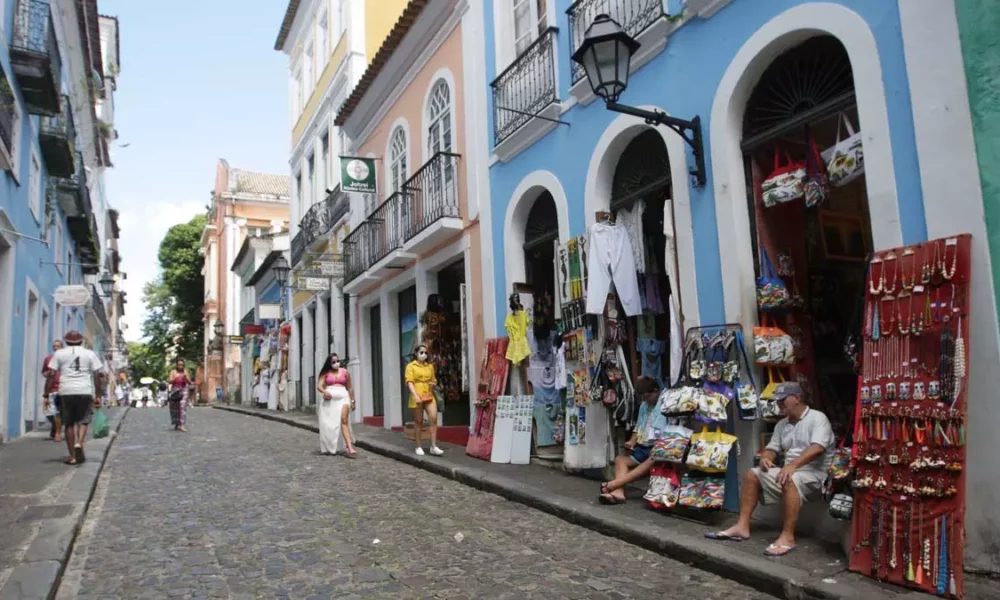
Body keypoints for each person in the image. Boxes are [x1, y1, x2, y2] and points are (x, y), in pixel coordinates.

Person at [706, 382, 835, 557]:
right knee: (752, 474)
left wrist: (792, 465)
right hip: (791, 471)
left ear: (797, 398)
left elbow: (817, 448)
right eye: (778, 401)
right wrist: (766, 458)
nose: (780, 404)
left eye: (783, 400)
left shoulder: (817, 418)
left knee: (788, 477)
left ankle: (788, 537)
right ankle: (742, 526)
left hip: (814, 475)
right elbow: (772, 448)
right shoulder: (782, 424)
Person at [599, 376, 661, 504]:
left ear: (656, 391)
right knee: (620, 460)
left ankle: (614, 485)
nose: (645, 400)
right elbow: (638, 427)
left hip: (656, 448)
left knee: (651, 459)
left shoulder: (665, 404)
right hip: (644, 446)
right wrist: (632, 441)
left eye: (647, 397)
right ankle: (618, 491)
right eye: (643, 398)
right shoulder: (644, 406)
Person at [48, 331, 105, 465]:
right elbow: (97, 375)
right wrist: (97, 395)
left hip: (66, 390)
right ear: (82, 341)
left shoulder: (59, 353)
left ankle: (72, 456)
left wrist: (46, 394)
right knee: (83, 420)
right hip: (84, 390)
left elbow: (51, 374)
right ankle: (79, 443)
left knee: (68, 423)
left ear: (66, 341)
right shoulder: (89, 354)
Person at [404, 344, 443, 457]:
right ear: (416, 354)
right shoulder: (410, 366)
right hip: (417, 394)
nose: (424, 355)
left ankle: (433, 446)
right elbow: (409, 381)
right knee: (418, 421)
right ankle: (418, 446)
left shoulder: (429, 366)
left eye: (426, 353)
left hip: (428, 395)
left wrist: (433, 384)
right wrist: (415, 395)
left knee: (433, 418)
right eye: (421, 352)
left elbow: (434, 380)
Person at [316, 353, 356, 456]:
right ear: (329, 363)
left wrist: (352, 400)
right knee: (329, 424)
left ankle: (349, 446)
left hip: (343, 398)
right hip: (330, 400)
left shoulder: (345, 372)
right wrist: (324, 392)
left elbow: (350, 387)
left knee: (344, 420)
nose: (336, 363)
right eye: (333, 362)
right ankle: (330, 445)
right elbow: (319, 386)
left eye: (337, 361)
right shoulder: (325, 373)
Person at [42, 340, 63, 442]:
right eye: (54, 347)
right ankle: (55, 427)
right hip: (50, 389)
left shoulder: (64, 359)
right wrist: (46, 373)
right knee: (49, 413)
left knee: (58, 413)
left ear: (62, 348)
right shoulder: (48, 359)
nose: (55, 348)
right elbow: (44, 371)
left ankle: (57, 433)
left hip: (61, 389)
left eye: (58, 346)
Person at [168, 359, 193, 431]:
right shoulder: (173, 372)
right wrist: (176, 378)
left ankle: (182, 424)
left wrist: (185, 378)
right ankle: (176, 423)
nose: (180, 366)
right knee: (175, 408)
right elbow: (170, 381)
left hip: (184, 390)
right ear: (176, 365)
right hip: (175, 390)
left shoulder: (185, 371)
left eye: (182, 365)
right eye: (179, 365)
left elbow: (189, 382)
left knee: (182, 407)